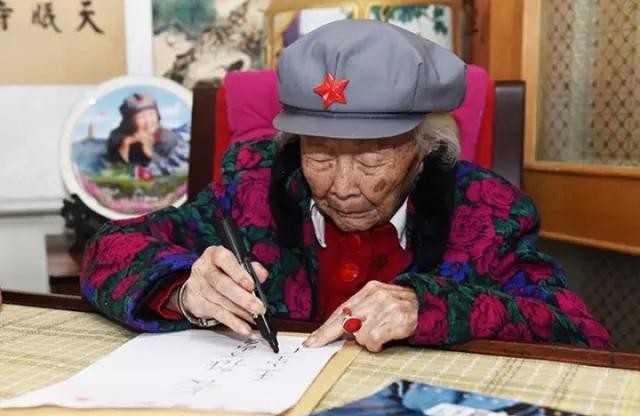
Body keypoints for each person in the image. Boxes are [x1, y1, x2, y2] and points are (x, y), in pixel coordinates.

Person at [81, 20, 610, 352]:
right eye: (320, 154)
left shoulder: (485, 211)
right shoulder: (253, 186)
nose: (342, 186)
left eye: (373, 155)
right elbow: (111, 248)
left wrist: (430, 307)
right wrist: (185, 290)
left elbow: (578, 331)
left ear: (426, 147)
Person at [106, 93, 188, 178]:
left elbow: (174, 169)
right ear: (129, 121)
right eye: (141, 117)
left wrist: (149, 152)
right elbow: (113, 168)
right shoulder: (116, 136)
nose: (148, 121)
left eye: (152, 114)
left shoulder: (169, 138)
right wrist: (125, 145)